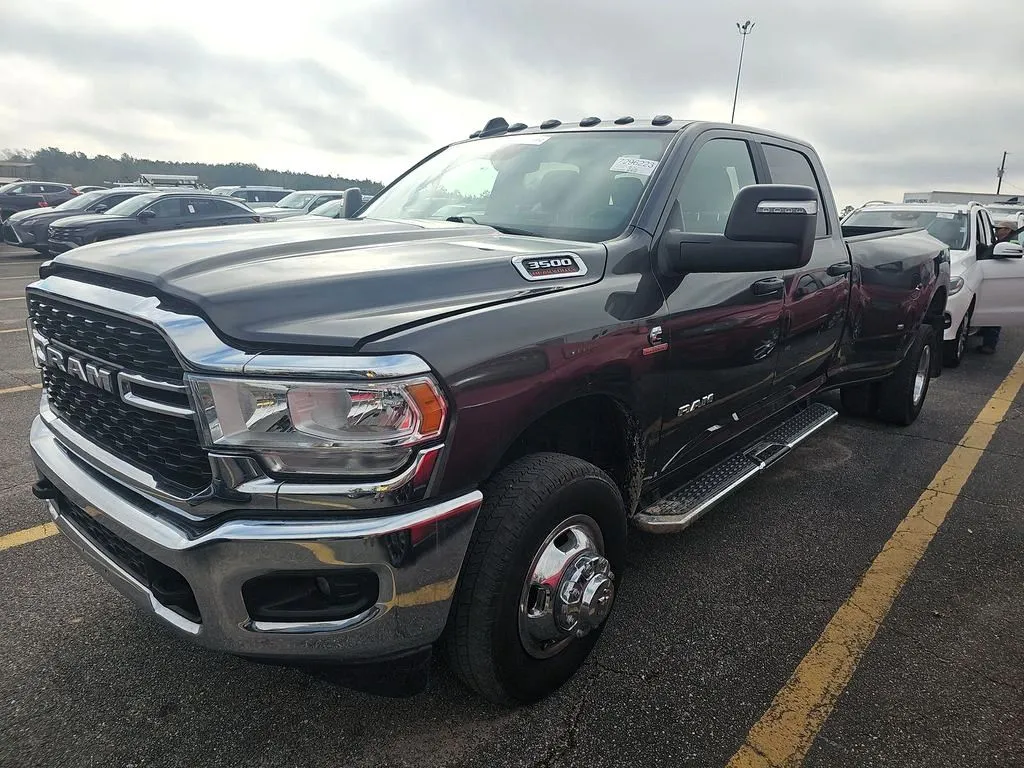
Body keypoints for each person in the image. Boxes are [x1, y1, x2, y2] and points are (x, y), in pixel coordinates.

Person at [976, 219, 1020, 354]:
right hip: (997, 279)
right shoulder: (1002, 242)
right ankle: (985, 332)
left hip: (1001, 280)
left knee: (994, 313)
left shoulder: (1010, 244)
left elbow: (999, 257)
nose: (996, 231)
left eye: (999, 229)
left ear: (1007, 230)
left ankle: (989, 345)